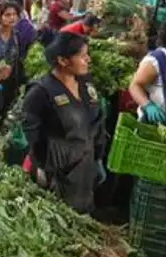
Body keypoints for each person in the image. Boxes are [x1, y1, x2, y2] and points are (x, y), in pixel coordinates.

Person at [22, 33, 105, 214]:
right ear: (63, 60)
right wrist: (42, 167)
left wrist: (98, 156)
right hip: (58, 174)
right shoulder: (40, 92)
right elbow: (32, 134)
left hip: (85, 170)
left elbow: (97, 122)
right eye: (82, 56)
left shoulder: (85, 83)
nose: (88, 60)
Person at [0, 0, 23, 114]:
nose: (12, 18)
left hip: (10, 84)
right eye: (7, 15)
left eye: (14, 14)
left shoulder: (16, 36)